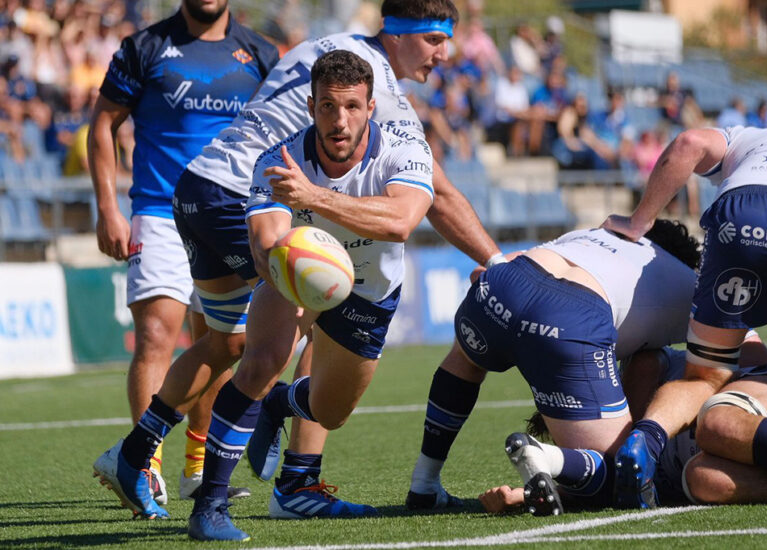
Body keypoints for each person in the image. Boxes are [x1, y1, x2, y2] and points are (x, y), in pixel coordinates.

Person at [94, 0, 503, 523]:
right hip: (248, 194)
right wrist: (495, 260)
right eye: (434, 40)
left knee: (230, 342)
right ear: (397, 35)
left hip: (202, 186)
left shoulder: (327, 51)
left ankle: (133, 453)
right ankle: (296, 482)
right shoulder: (372, 83)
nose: (444, 55)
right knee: (305, 314)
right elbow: (437, 197)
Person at [204, 49, 433, 540]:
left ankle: (281, 404)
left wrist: (313, 198)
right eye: (328, 106)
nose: (339, 119)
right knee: (261, 360)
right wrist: (290, 277)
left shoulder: (405, 150)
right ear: (311, 107)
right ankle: (209, 505)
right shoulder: (277, 161)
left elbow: (400, 222)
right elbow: (266, 245)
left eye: (352, 106)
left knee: (332, 412)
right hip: (295, 279)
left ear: (372, 107)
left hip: (370, 292)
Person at [89, 0, 278, 505]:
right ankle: (143, 468)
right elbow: (103, 122)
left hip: (228, 212)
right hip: (157, 208)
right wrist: (108, 206)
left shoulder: (260, 53)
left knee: (223, 345)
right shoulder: (145, 47)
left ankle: (197, 471)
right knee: (155, 335)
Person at [405, 221, 699, 513]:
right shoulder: (688, 283)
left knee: (465, 359)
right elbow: (734, 345)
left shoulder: (595, 234)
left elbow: (480, 274)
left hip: (503, 283)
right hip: (573, 314)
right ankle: (545, 457)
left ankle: (424, 482)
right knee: (623, 475)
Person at [602, 125, 767, 509]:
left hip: (741, 218)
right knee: (704, 471)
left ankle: (647, 438)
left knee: (706, 380)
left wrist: (639, 221)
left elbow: (690, 143)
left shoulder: (747, 138)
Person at [480, 338, 767, 513]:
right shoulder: (607, 465)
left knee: (716, 425)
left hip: (747, 406)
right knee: (705, 479)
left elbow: (648, 362)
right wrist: (522, 495)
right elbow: (594, 484)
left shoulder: (634, 373)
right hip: (715, 462)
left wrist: (628, 443)